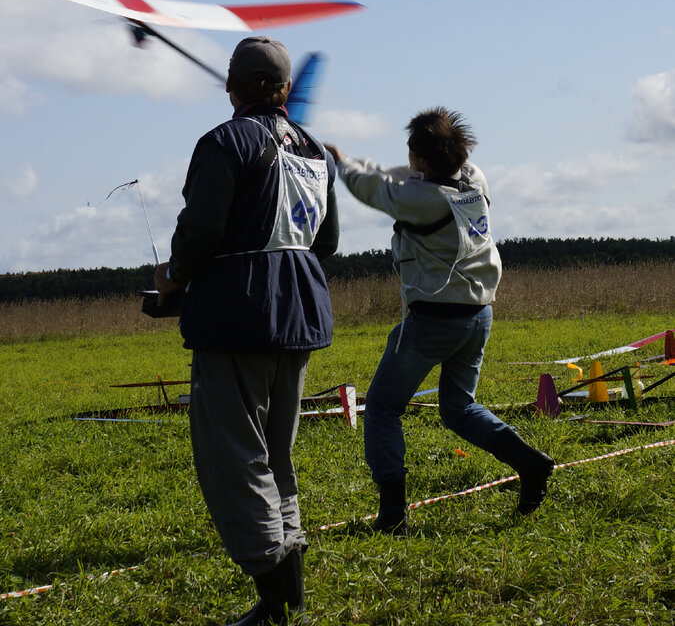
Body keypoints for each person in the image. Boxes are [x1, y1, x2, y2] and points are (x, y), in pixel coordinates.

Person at [156, 36, 339, 626]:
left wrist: (172, 279)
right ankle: (290, 595)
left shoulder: (222, 142)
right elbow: (326, 242)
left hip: (237, 315)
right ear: (285, 90)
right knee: (277, 456)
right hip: (299, 313)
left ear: (232, 86)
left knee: (234, 457)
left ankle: (273, 598)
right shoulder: (315, 150)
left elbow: (200, 230)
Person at [325, 107, 553, 536]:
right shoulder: (473, 177)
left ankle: (393, 516)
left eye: (412, 153)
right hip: (478, 314)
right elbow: (399, 176)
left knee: (382, 408)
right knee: (458, 408)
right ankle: (530, 462)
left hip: (434, 319)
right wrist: (348, 157)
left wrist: (340, 164)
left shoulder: (423, 200)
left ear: (425, 160)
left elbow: (377, 189)